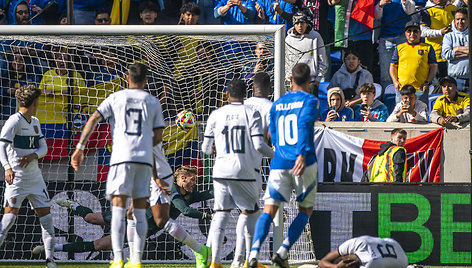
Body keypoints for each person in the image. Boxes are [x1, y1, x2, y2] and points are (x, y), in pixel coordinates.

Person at [71, 63, 164, 268]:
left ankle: (119, 258)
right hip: (143, 160)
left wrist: (80, 147)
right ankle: (137, 260)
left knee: (119, 210)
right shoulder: (153, 101)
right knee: (139, 211)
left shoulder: (116, 97)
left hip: (121, 159)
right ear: (146, 80)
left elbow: (94, 118)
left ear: (126, 78)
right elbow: (158, 137)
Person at [32, 166, 214, 256]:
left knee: (98, 245)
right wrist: (207, 215)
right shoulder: (173, 190)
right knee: (90, 218)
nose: (195, 183)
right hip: (131, 218)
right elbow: (185, 210)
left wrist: (228, 187)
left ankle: (49, 248)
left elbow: (208, 194)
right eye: (192, 179)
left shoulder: (189, 193)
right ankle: (73, 205)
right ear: (182, 178)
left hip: (141, 231)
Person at [248, 63, 318, 268]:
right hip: (303, 162)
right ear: (310, 82)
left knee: (268, 210)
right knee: (305, 210)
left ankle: (253, 255)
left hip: (279, 162)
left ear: (290, 80)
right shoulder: (310, 100)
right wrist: (302, 154)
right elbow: (304, 124)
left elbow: (270, 135)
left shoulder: (277, 104)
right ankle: (283, 251)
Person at [201, 78, 274, 268]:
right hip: (245, 169)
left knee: (221, 214)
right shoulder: (252, 112)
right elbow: (259, 145)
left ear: (226, 94)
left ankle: (215, 263)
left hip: (220, 170)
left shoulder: (216, 114)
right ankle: (250, 261)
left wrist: (219, 150)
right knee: (250, 212)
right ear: (245, 95)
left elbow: (206, 149)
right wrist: (277, 155)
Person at [0, 85, 57, 268]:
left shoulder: (34, 121)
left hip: (35, 179)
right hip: (17, 178)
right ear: (34, 102)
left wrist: (34, 155)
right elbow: (1, 146)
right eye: (38, 101)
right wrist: (7, 167)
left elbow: (44, 148)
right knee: (8, 220)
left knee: (47, 220)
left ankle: (50, 260)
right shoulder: (13, 121)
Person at [238, 72, 273, 268]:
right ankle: (247, 260)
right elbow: (268, 137)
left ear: (252, 88)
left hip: (231, 161)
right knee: (250, 212)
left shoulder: (241, 104)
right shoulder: (271, 107)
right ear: (270, 89)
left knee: (229, 212)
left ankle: (241, 260)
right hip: (252, 164)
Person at [390, 21, 438, 105]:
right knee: (402, 115)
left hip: (420, 89)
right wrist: (395, 81)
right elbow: (392, 66)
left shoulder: (428, 47)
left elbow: (433, 67)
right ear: (405, 33)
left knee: (420, 116)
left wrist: (428, 82)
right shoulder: (399, 47)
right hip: (402, 89)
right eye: (409, 31)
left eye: (415, 31)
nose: (412, 33)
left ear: (420, 33)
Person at [37, 46, 87, 124]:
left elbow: (84, 93)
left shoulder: (76, 75)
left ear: (69, 62)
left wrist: (70, 92)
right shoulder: (48, 74)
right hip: (50, 113)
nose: (62, 61)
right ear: (56, 61)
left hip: (69, 112)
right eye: (60, 58)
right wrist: (45, 91)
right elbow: (38, 91)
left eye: (65, 59)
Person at [375, 0, 416, 88]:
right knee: (386, 73)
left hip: (403, 37)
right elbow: (376, 17)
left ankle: (405, 94)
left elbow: (411, 11)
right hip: (385, 38)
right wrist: (380, 6)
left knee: (405, 70)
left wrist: (405, 2)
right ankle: (387, 97)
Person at [285, 11, 327, 95]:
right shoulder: (288, 39)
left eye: (302, 23)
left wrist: (318, 79)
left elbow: (323, 59)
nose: (300, 26)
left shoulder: (315, 36)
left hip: (311, 81)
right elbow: (286, 62)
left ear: (307, 24)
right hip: (295, 82)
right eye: (297, 23)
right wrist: (290, 81)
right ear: (294, 25)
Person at [420, 0, 458, 78]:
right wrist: (440, 32)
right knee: (439, 84)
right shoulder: (427, 11)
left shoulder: (453, 8)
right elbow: (423, 32)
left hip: (454, 53)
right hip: (436, 53)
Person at [318, 235, 409, 268]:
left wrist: (336, 267)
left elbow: (322, 262)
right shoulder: (356, 244)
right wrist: (336, 267)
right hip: (398, 252)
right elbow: (322, 262)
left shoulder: (369, 262)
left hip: (402, 260)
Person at [1, 52, 37, 119]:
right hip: (7, 113)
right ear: (11, 62)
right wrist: (6, 90)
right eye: (15, 59)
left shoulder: (31, 76)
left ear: (25, 62)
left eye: (21, 59)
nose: (18, 61)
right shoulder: (5, 77)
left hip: (25, 113)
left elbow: (35, 91)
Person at [441, 8, 469, 93]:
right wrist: (467, 52)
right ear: (454, 21)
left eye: (463, 19)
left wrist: (456, 49)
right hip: (454, 80)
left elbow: (450, 53)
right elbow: (446, 54)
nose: (460, 22)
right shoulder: (448, 36)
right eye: (458, 19)